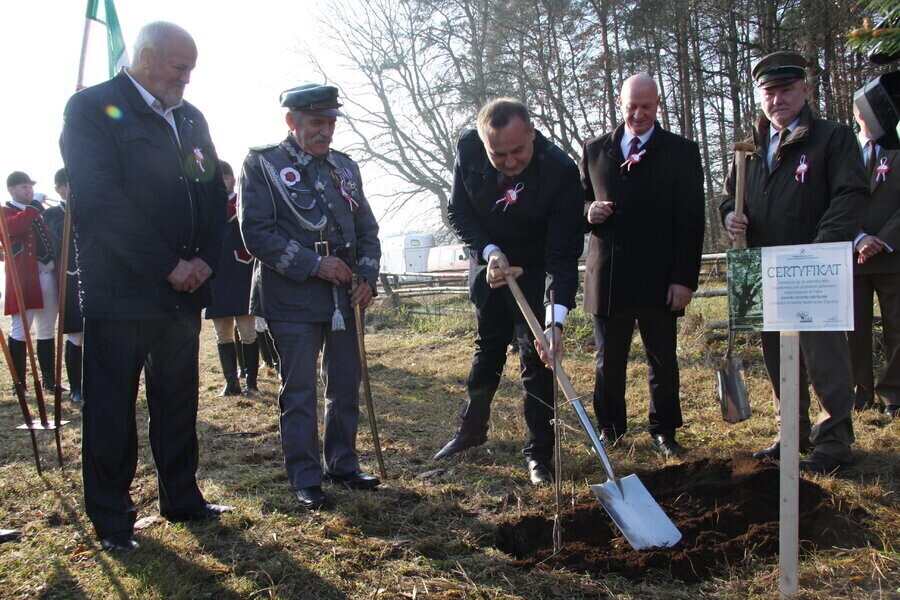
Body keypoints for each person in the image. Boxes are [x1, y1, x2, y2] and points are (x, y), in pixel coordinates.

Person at [60, 21, 234, 551]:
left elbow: (209, 195)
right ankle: (113, 518)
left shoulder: (191, 117)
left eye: (191, 70)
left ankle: (181, 496)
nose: (187, 79)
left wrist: (205, 257)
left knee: (178, 401)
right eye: (180, 68)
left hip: (183, 294)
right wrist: (166, 264)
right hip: (122, 292)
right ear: (148, 56)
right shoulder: (92, 108)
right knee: (113, 409)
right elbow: (101, 200)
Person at [721, 51, 867, 474]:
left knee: (824, 355)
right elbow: (731, 197)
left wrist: (822, 249)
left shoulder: (832, 138)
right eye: (769, 91)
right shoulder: (748, 147)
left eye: (786, 89)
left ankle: (834, 441)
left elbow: (851, 194)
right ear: (759, 95)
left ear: (805, 89)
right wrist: (729, 213)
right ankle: (792, 433)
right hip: (760, 267)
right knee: (775, 353)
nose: (778, 99)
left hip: (814, 265)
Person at [239, 83, 382, 510]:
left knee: (344, 384)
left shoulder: (346, 167)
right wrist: (313, 264)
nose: (326, 132)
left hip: (345, 298)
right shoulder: (262, 165)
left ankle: (343, 463)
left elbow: (367, 231)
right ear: (292, 121)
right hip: (293, 297)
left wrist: (368, 277)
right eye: (317, 123)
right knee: (298, 389)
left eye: (331, 122)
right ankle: (305, 475)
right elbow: (256, 234)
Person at [435, 98, 584, 485]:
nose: (509, 160)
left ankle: (540, 452)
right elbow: (459, 212)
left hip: (537, 267)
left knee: (536, 360)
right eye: (497, 153)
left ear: (532, 134)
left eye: (517, 150)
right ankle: (471, 429)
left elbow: (563, 253)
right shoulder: (468, 149)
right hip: (490, 264)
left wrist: (554, 321)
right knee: (488, 347)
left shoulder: (561, 172)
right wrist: (488, 253)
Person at [580, 74, 705, 458]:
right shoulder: (595, 150)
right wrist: (588, 211)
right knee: (607, 362)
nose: (638, 114)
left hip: (659, 276)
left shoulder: (681, 152)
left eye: (646, 107)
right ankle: (611, 429)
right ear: (620, 103)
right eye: (632, 106)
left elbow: (691, 220)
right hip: (609, 277)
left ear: (658, 105)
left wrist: (683, 280)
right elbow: (573, 205)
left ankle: (664, 430)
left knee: (662, 362)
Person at [848, 108, 900, 418]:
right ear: (857, 113)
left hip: (894, 254)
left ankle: (893, 394)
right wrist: (859, 238)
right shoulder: (844, 150)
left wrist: (882, 239)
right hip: (850, 255)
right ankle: (859, 393)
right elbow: (832, 199)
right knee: (851, 331)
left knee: (898, 328)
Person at [3, 171, 60, 394]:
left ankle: (48, 380)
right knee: (20, 330)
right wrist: (35, 205)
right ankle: (20, 384)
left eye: (30, 187)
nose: (29, 190)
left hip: (48, 277)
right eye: (24, 187)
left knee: (46, 330)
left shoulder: (36, 212)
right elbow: (15, 227)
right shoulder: (5, 211)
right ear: (12, 190)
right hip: (24, 281)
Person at [204, 161, 258, 396]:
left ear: (232, 179)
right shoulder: (207, 207)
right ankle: (231, 383)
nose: (221, 182)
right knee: (222, 334)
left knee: (247, 332)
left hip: (241, 273)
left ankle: (251, 381)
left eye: (224, 177)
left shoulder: (243, 202)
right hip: (216, 275)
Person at [43, 168, 84, 405]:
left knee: (100, 335)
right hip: (71, 280)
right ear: (59, 188)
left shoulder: (91, 207)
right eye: (69, 184)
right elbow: (62, 233)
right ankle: (76, 388)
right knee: (76, 335)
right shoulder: (52, 214)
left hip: (96, 279)